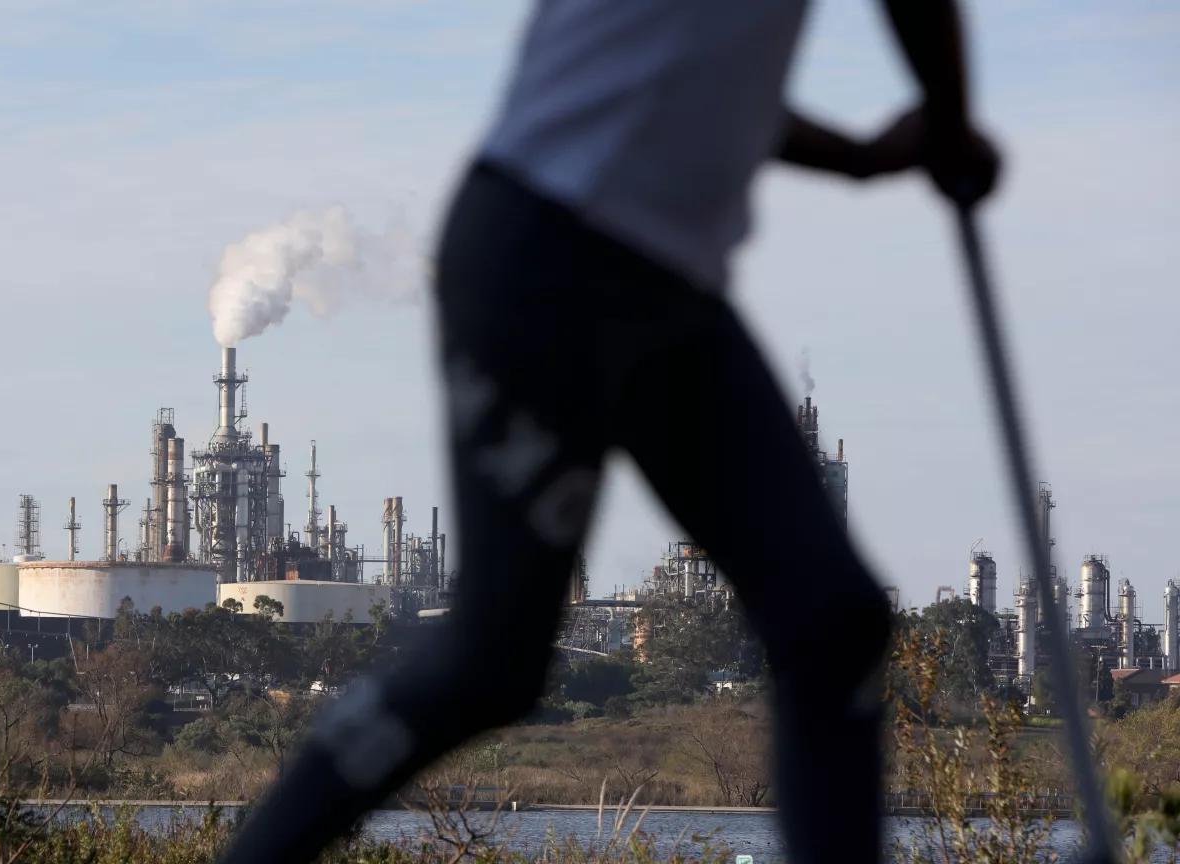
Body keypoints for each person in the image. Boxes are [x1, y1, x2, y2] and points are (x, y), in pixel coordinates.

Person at [219, 1, 998, 862]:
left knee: (835, 618)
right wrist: (954, 119)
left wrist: (860, 158)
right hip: (544, 258)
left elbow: (710, 91)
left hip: (672, 294)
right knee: (493, 659)